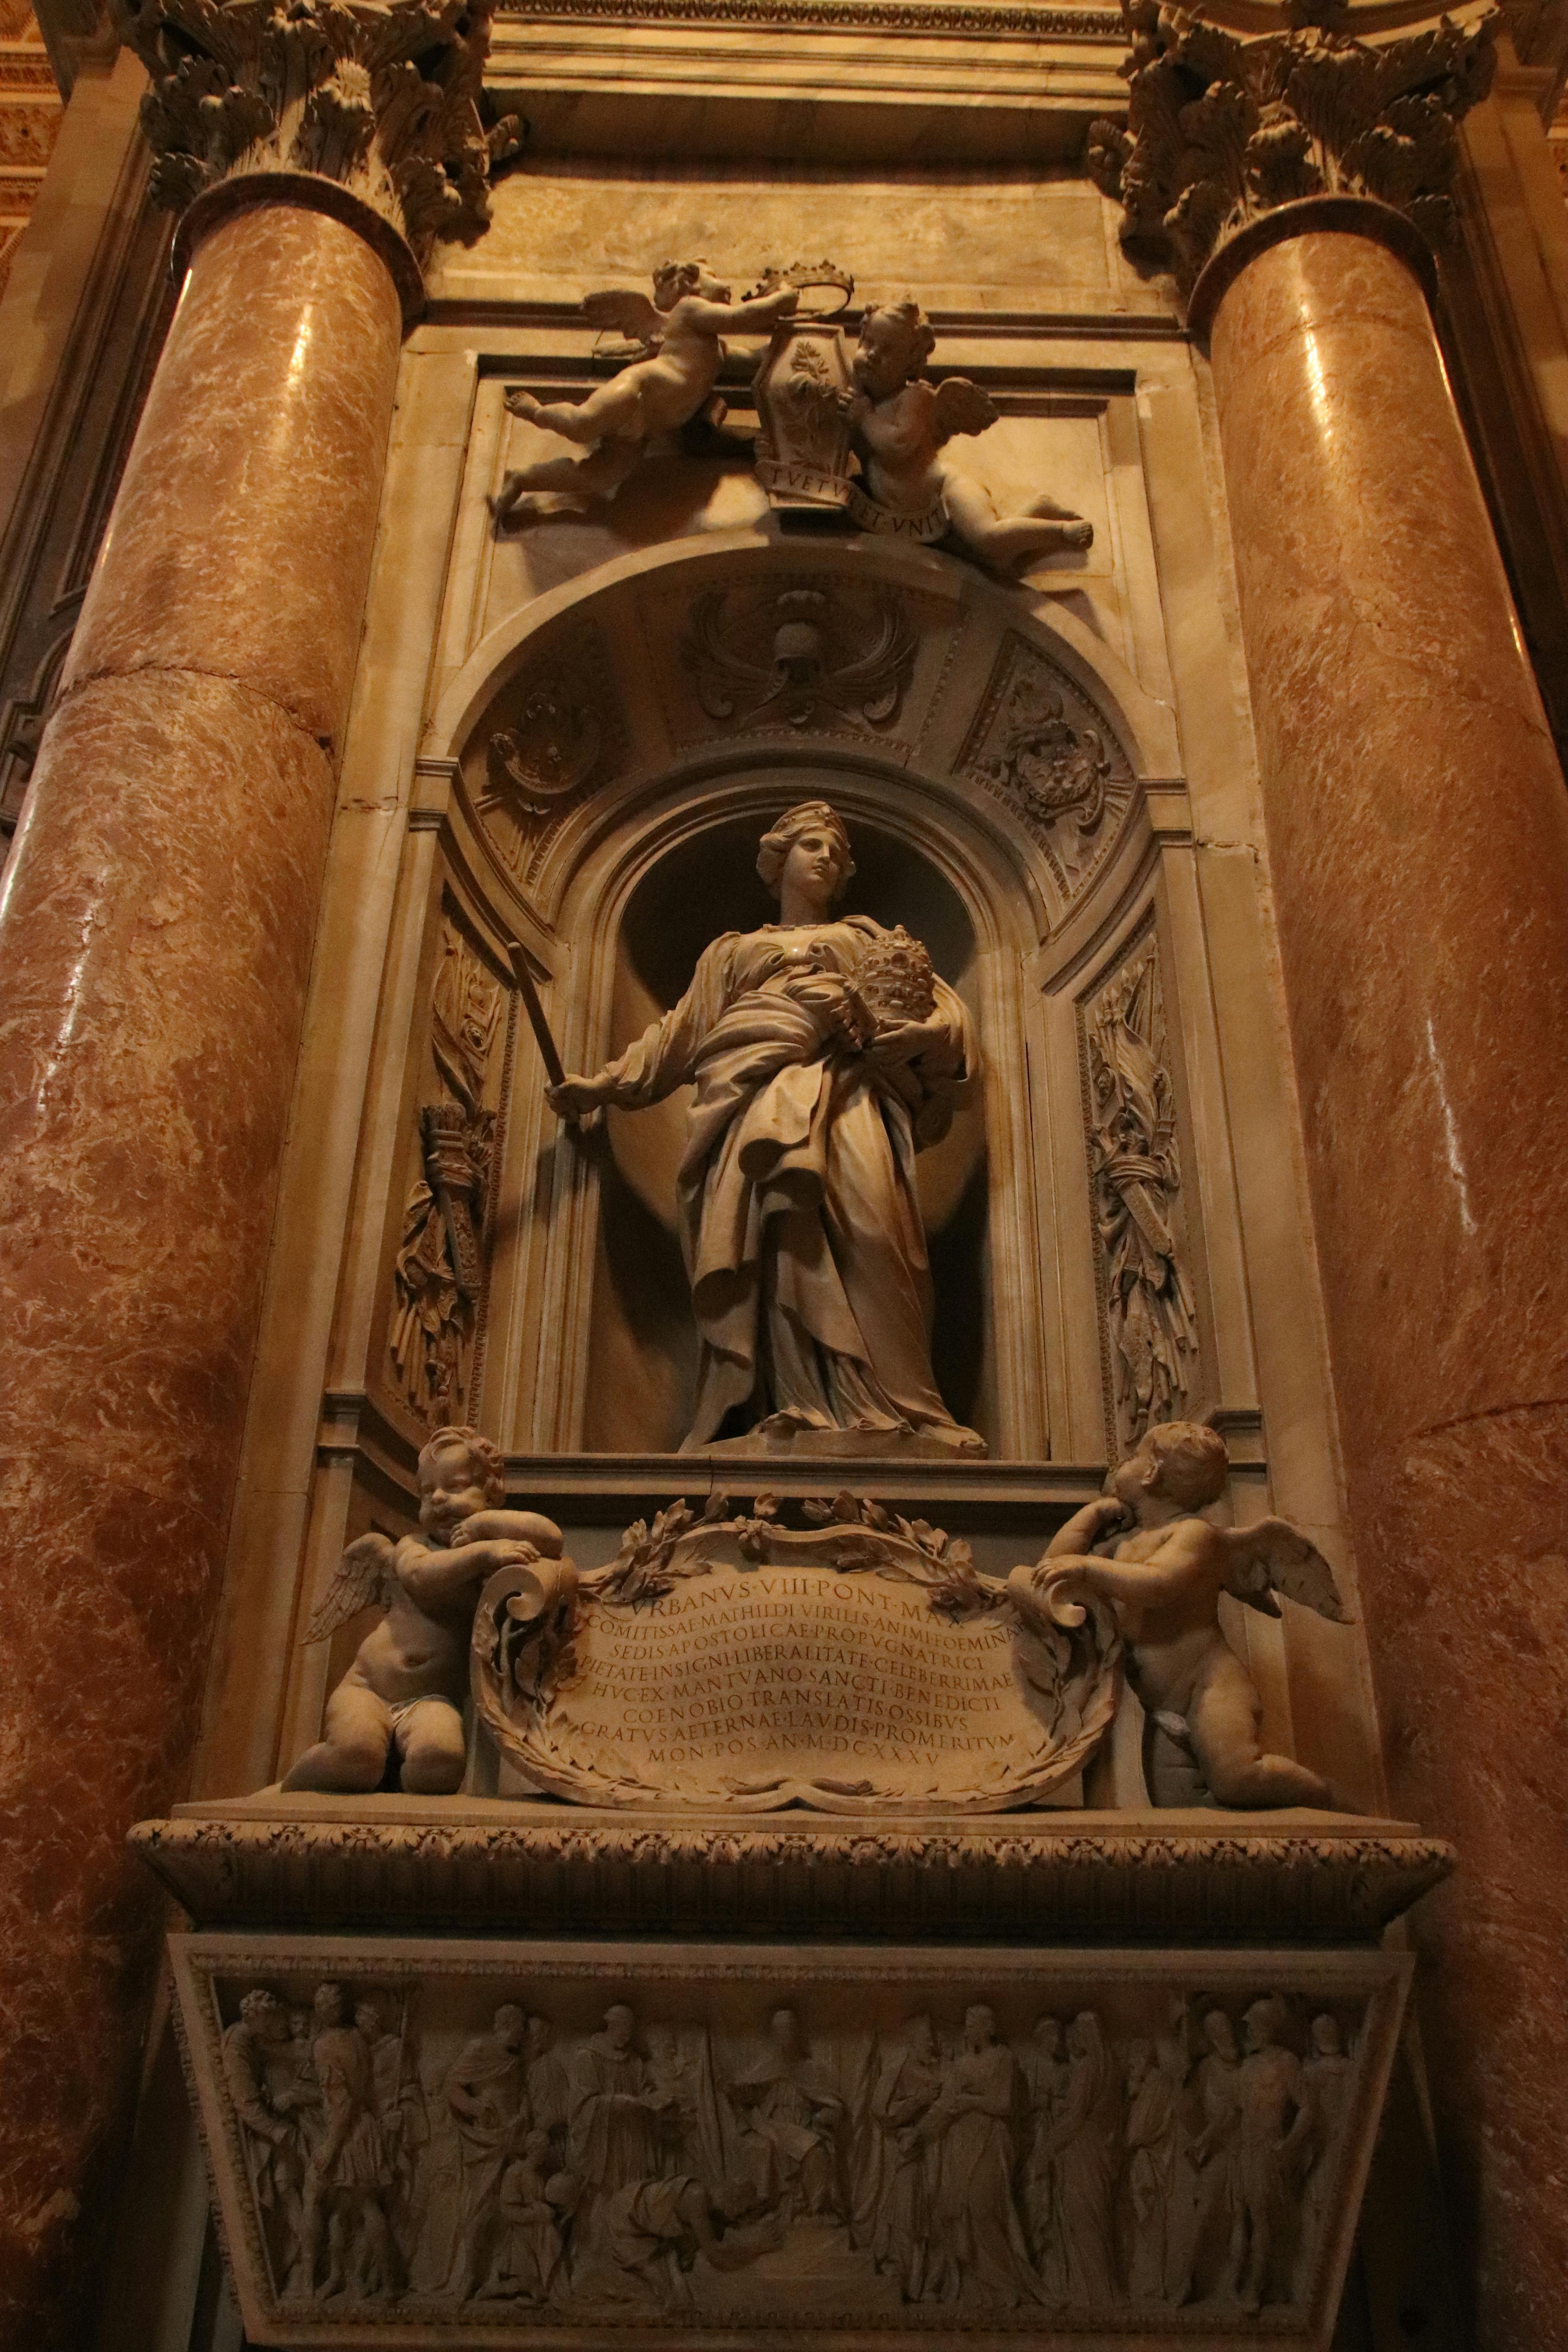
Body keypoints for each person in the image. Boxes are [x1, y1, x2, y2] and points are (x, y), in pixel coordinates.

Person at [549, 800, 984, 1454]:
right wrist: (604, 1085)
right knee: (773, 1239)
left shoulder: (867, 939)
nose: (827, 858)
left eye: (836, 852)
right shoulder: (733, 953)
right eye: (813, 845)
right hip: (749, 1100)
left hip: (849, 1094)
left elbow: (944, 1012)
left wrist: (922, 1036)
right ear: (779, 860)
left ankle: (898, 1405)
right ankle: (790, 1404)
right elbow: (678, 1034)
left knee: (872, 1228)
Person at [1009, 1419, 1345, 1808]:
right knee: (1176, 1806)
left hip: (1209, 1687)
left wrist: (1088, 1568)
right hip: (1162, 1710)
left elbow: (1158, 1584)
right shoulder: (1123, 1545)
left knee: (1238, 1777)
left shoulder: (1194, 1535)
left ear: (1152, 1473)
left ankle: (1323, 1795)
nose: (1123, 1464)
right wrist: (1091, 1518)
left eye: (1134, 1457)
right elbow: (1050, 1573)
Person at [282, 1426, 563, 1795]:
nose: (439, 1499)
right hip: (369, 1690)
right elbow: (421, 1577)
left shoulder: (495, 1558)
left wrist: (483, 1524)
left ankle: (393, 1813)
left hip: (432, 1700)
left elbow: (551, 1538)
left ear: (491, 1495)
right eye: (428, 1492)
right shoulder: (415, 1546)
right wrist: (482, 1552)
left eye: (456, 1487)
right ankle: (289, 1790)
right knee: (357, 1753)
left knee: (441, 1761)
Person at [490, 262, 799, 519]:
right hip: (638, 390)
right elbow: (743, 317)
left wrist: (793, 337)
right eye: (715, 277)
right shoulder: (689, 310)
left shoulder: (718, 350)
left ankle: (524, 478)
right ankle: (536, 411)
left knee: (602, 477)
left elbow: (757, 359)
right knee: (582, 424)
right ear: (689, 286)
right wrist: (782, 299)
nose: (726, 285)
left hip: (647, 425)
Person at [841, 299, 1093, 574]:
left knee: (987, 538)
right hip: (914, 513)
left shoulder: (915, 397)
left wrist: (864, 417)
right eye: (868, 343)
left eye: (888, 351)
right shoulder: (866, 406)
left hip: (946, 491)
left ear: (909, 366)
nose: (873, 355)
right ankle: (1039, 509)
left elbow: (898, 444)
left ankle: (1061, 532)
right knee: (998, 562)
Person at [921, 2005, 1047, 2306]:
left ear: (987, 2028)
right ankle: (970, 2286)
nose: (968, 2031)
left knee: (986, 2208)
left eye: (974, 2025)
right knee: (957, 2209)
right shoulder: (961, 2065)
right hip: (962, 2145)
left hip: (993, 2143)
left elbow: (1004, 2104)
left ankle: (1007, 2282)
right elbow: (946, 2105)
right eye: (967, 2025)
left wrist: (969, 2102)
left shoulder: (1004, 2059)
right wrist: (918, 2132)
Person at [301, 1983, 396, 2299]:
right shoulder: (355, 2036)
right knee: (350, 2209)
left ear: (325, 2011)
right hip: (365, 2126)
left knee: (321, 2197)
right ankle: (351, 2278)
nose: (319, 2010)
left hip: (346, 2134)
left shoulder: (325, 2046)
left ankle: (312, 2282)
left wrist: (330, 2148)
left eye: (322, 2005)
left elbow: (341, 2103)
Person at [1223, 1998, 1314, 2313]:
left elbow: (1307, 2107)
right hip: (1244, 2150)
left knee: (1261, 2219)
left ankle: (1254, 2287)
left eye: (1253, 2026)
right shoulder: (1247, 2066)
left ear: (1265, 2027)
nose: (1249, 2032)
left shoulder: (1286, 2062)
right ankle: (1231, 2285)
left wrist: (1289, 2144)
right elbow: (1234, 2111)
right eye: (1248, 2026)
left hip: (1268, 2150)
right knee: (1239, 2217)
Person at [445, 2003, 531, 2299]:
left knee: (511, 2208)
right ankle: (470, 2275)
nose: (523, 2035)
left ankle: (501, 2273)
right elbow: (453, 2087)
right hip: (485, 2141)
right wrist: (476, 2107)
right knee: (481, 2208)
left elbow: (520, 2094)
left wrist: (523, 2113)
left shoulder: (515, 2061)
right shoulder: (480, 2048)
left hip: (514, 2139)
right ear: (508, 2024)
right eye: (521, 2028)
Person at [728, 2007, 846, 2219]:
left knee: (818, 2151)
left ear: (797, 2034)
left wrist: (824, 2117)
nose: (785, 2037)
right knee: (806, 2148)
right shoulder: (765, 2068)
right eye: (780, 2031)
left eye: (789, 2030)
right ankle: (782, 2206)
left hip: (805, 2125)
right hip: (771, 2125)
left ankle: (817, 2211)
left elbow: (831, 2103)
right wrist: (737, 2092)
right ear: (774, 2036)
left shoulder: (810, 2069)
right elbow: (745, 2096)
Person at [1043, 2011, 1123, 2306]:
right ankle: (1099, 2290)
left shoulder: (1088, 2068)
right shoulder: (1110, 2067)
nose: (1074, 2039)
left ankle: (1097, 2293)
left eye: (1078, 2033)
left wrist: (1047, 2148)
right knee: (1096, 2218)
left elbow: (1076, 2118)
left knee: (1082, 2215)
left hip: (1083, 2151)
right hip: (1100, 2149)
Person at [868, 2015, 946, 2300]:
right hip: (906, 2152)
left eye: (933, 2038)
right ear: (912, 2042)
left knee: (932, 2215)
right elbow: (881, 2111)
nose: (932, 2044)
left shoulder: (939, 2070)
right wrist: (918, 2102)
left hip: (937, 2152)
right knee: (906, 2211)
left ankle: (925, 2282)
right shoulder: (896, 2069)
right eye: (926, 2039)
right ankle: (903, 2275)